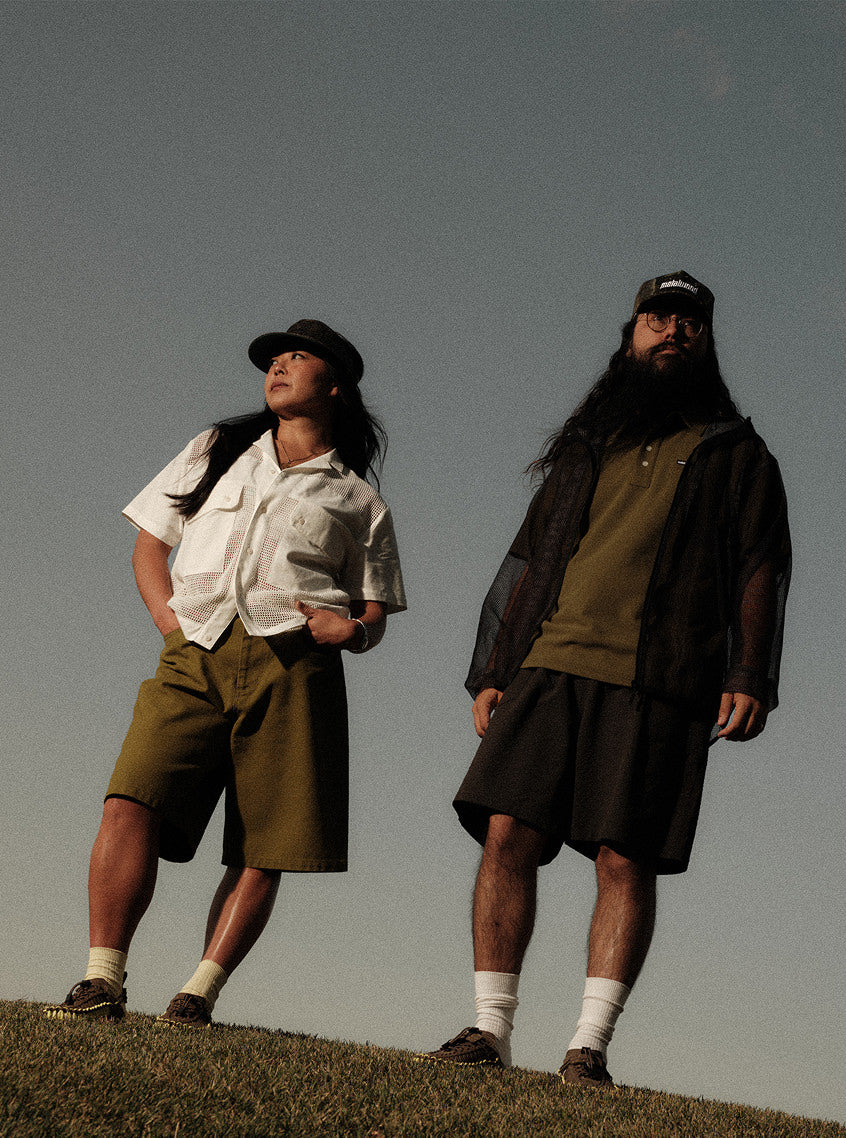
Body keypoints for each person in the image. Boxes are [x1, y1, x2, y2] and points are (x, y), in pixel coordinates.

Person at [419, 271, 790, 1087]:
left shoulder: (737, 452)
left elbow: (762, 565)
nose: (673, 331)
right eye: (658, 318)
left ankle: (588, 1046)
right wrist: (496, 668)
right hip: (551, 662)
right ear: (630, 336)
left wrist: (750, 671)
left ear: (706, 341)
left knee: (626, 858)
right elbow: (527, 559)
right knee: (507, 835)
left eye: (689, 322)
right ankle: (490, 1028)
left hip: (663, 675)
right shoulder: (589, 445)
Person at [46, 319, 406, 1027]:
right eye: (273, 359)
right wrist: (170, 625)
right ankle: (101, 979)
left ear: (334, 385)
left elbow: (375, 609)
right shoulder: (215, 450)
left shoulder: (360, 501)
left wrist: (354, 631)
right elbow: (150, 545)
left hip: (294, 668)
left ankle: (197, 995)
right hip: (195, 650)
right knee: (130, 798)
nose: (278, 367)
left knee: (264, 843)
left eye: (297, 357)